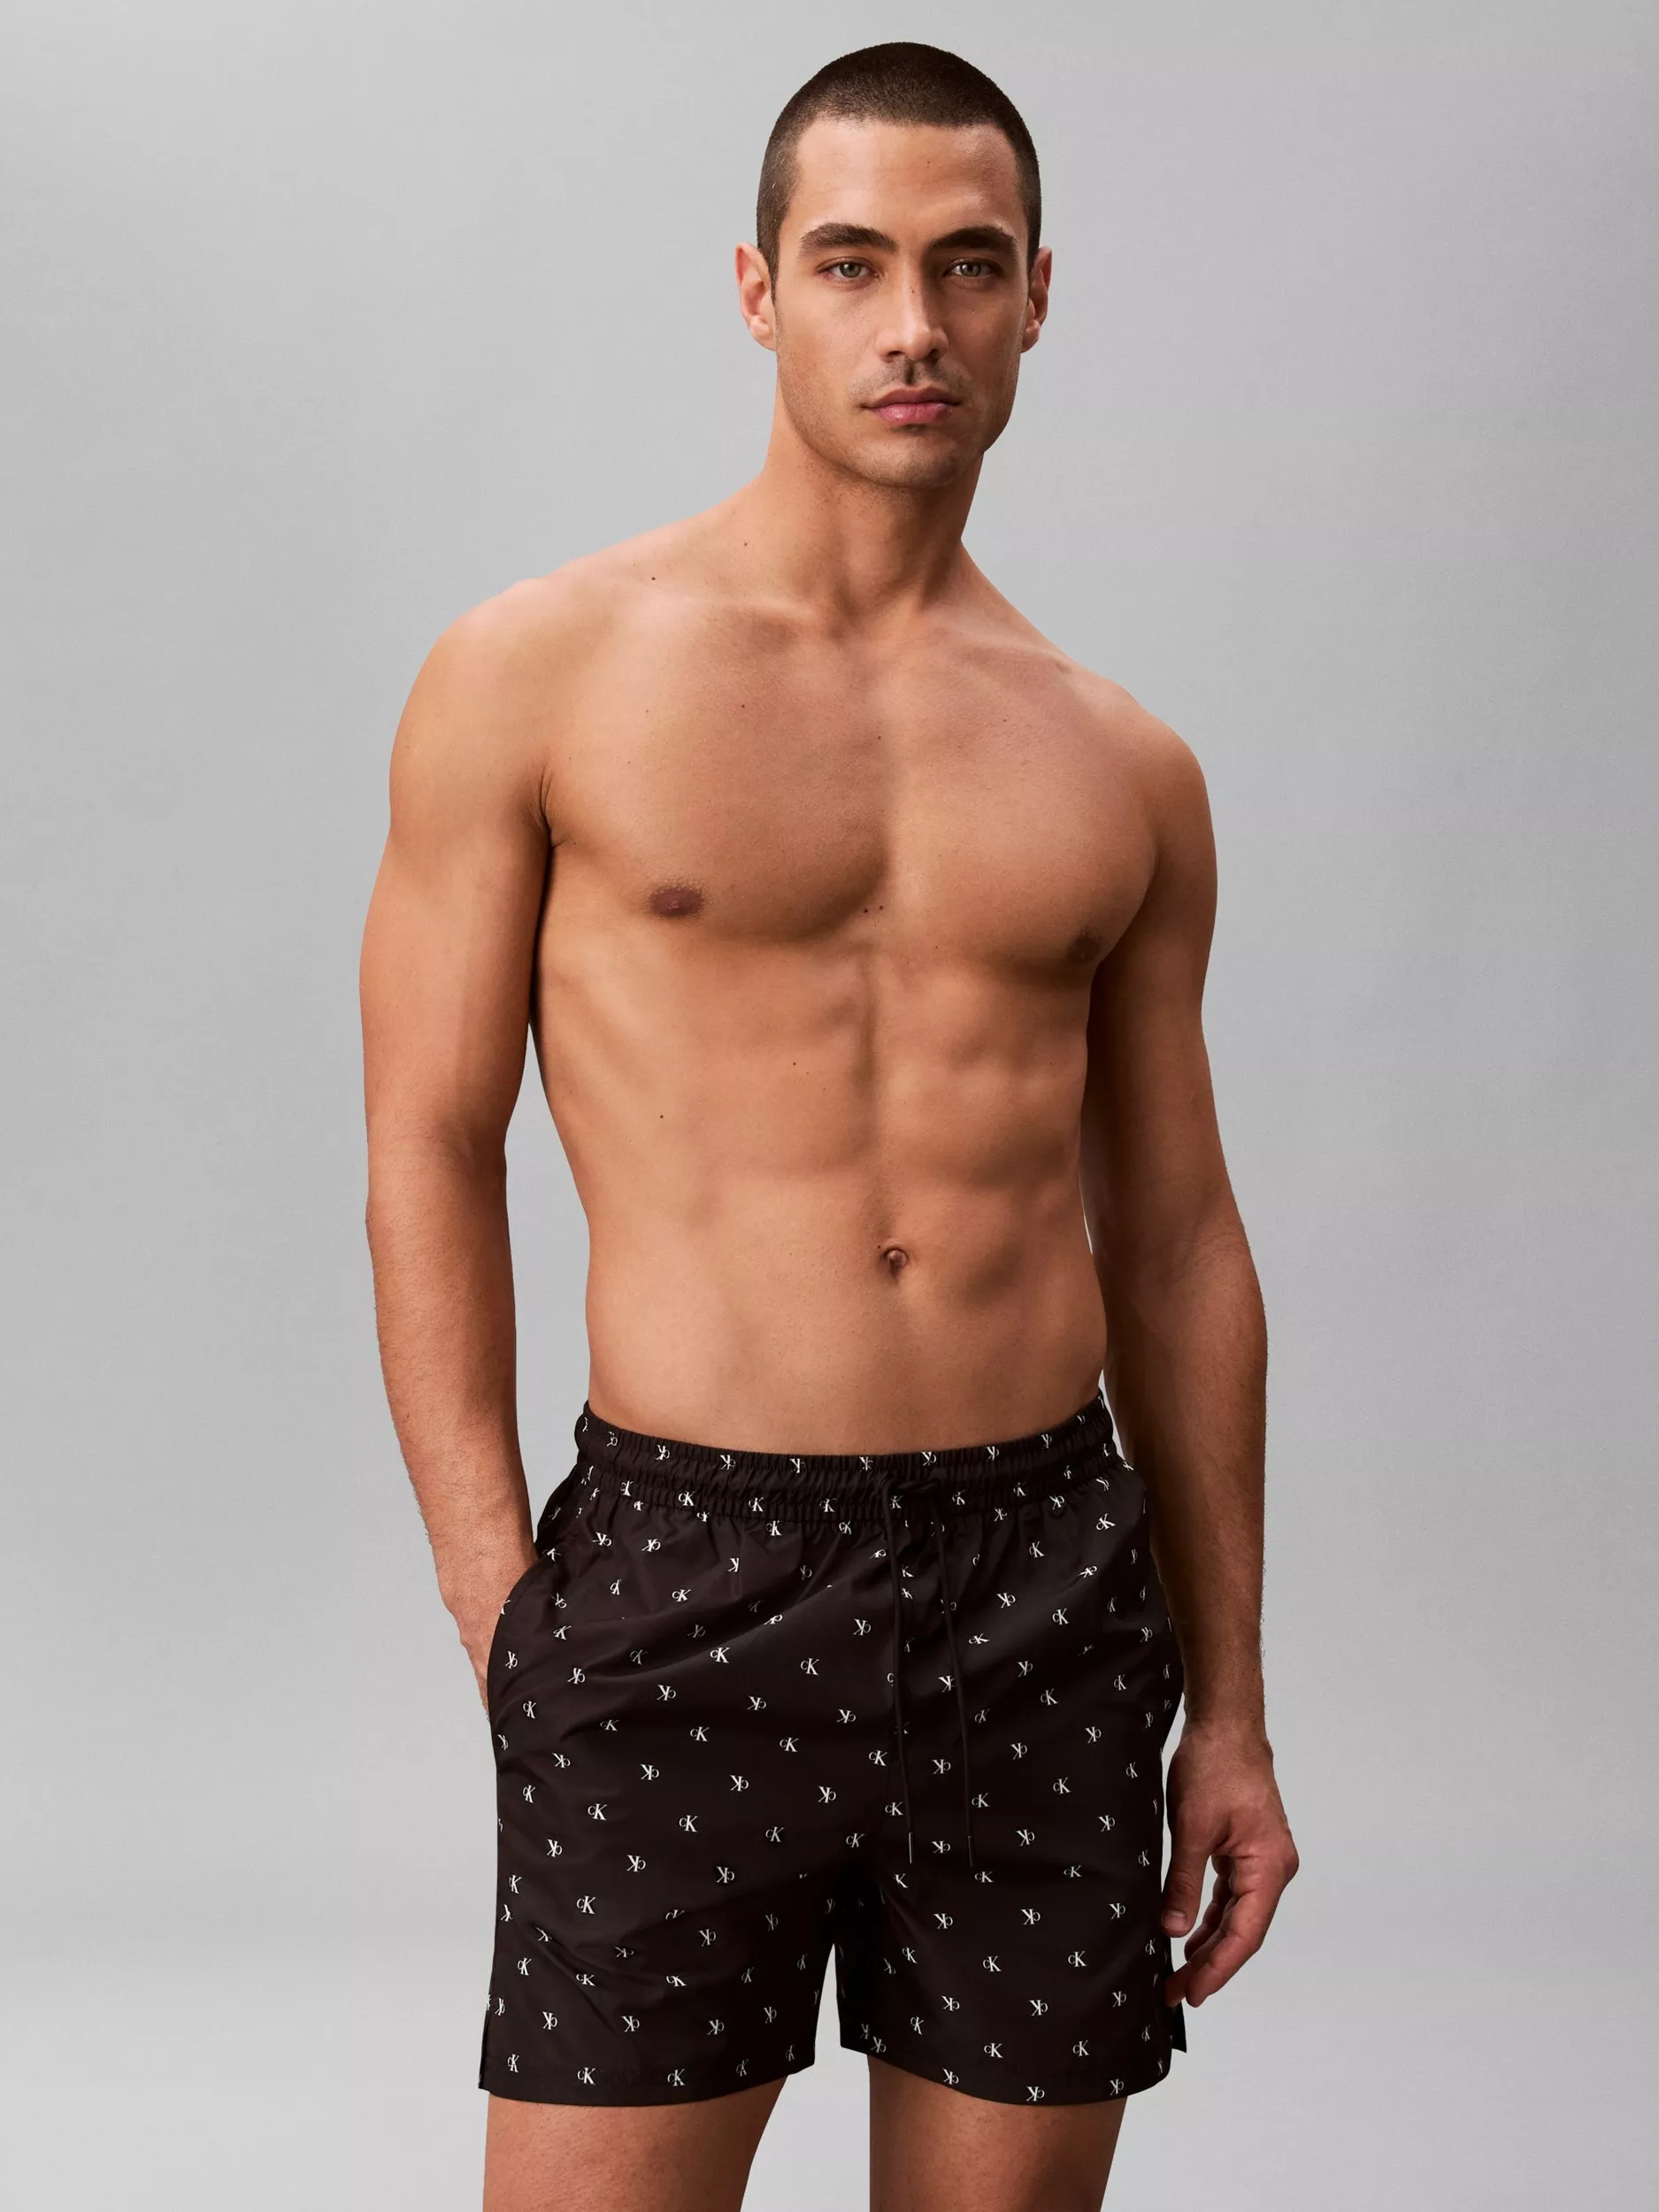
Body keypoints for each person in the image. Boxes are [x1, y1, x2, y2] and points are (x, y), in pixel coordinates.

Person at [358, 39, 1297, 2212]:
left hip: (1044, 1584)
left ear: (1036, 298)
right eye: (855, 263)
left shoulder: (1120, 764)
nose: (914, 326)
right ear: (759, 290)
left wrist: (1232, 1702)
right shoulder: (538, 674)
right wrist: (503, 1604)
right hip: (683, 1567)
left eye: (967, 267)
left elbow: (1177, 1238)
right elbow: (427, 1137)